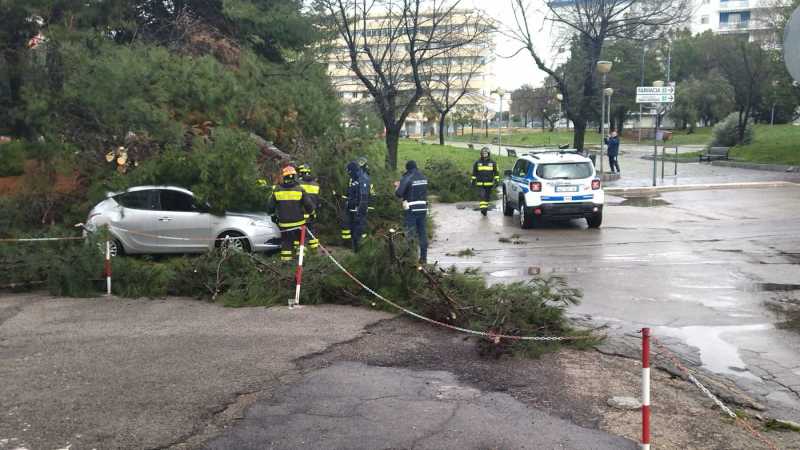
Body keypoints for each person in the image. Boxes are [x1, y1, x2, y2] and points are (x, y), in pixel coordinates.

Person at [266, 165, 314, 262]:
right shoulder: (300, 189)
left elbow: (270, 206)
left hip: (284, 224)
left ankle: (286, 262)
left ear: (284, 177)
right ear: (294, 176)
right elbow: (308, 204)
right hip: (299, 223)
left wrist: (272, 215)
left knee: (286, 243)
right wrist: (312, 213)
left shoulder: (277, 189)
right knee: (301, 241)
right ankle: (300, 262)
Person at [394, 160, 428, 264]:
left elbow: (399, 194)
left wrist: (397, 186)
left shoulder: (407, 177)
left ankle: (411, 258)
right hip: (423, 208)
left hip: (411, 209)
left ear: (407, 168)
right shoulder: (423, 177)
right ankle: (423, 258)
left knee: (410, 234)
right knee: (422, 233)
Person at [341, 161, 370, 252]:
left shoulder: (362, 179)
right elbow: (352, 194)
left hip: (358, 210)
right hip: (352, 209)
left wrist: (359, 209)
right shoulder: (354, 179)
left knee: (358, 229)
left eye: (349, 171)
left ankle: (359, 250)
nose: (348, 174)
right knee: (353, 228)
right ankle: (354, 248)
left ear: (352, 170)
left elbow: (363, 196)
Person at [297, 164, 320, 251]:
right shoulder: (316, 184)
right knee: (311, 230)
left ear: (301, 172)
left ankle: (301, 251)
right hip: (312, 212)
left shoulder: (298, 183)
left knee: (299, 232)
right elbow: (318, 199)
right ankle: (314, 250)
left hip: (300, 212)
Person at [471, 147, 499, 216]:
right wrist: (473, 181)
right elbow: (474, 173)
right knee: (482, 196)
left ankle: (485, 209)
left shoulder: (493, 163)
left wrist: (496, 181)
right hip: (480, 184)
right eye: (483, 153)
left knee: (487, 197)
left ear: (488, 154)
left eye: (486, 153)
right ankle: (483, 209)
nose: (485, 154)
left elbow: (496, 173)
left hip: (489, 184)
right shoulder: (477, 163)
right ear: (481, 154)